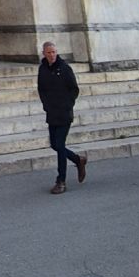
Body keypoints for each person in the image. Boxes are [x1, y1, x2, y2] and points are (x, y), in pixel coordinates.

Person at [37, 41, 87, 195]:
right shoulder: (43, 69)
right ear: (44, 53)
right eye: (48, 53)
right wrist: (46, 105)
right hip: (52, 113)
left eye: (54, 52)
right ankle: (78, 160)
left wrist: (67, 104)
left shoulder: (64, 68)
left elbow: (74, 89)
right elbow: (41, 89)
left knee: (59, 145)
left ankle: (61, 181)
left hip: (64, 113)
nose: (52, 55)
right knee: (54, 144)